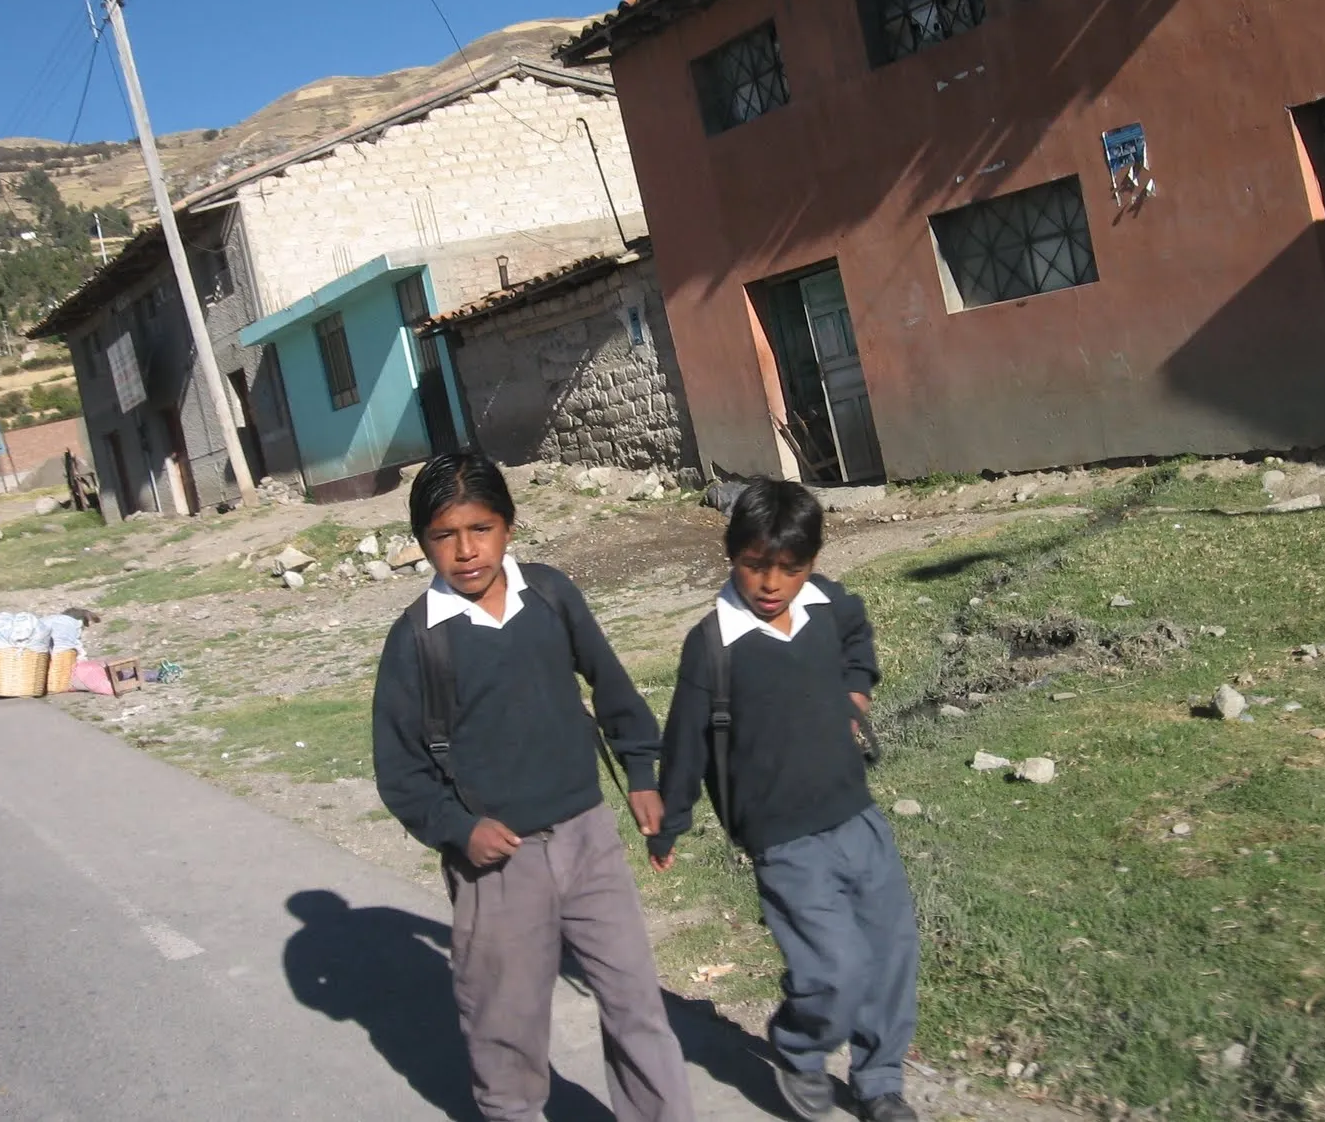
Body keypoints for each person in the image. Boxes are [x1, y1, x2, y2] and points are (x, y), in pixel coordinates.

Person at [372, 451, 694, 1122]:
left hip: (588, 840)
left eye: (480, 529)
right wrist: (462, 831)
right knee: (506, 1028)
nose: (464, 551)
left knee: (636, 1005)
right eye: (443, 536)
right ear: (422, 542)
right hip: (499, 864)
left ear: (509, 528)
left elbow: (611, 686)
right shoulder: (416, 641)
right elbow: (400, 771)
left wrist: (640, 773)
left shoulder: (550, 595)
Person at [648, 477, 920, 1122]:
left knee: (890, 951)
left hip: (856, 814)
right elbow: (684, 742)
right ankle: (800, 1046)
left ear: (812, 564)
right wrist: (670, 824)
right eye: (754, 565)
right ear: (731, 553)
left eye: (789, 569)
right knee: (835, 966)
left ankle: (880, 1080)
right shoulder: (713, 645)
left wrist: (857, 688)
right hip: (782, 838)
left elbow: (857, 631)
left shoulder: (826, 604)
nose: (771, 583)